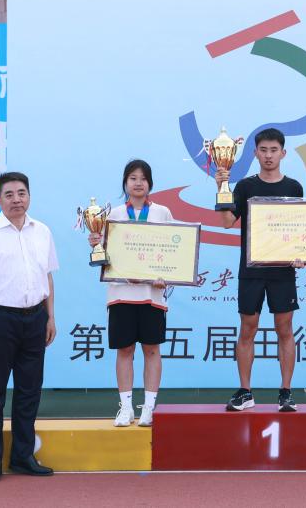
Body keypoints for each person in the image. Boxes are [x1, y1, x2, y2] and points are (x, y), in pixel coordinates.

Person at [0, 172, 58, 483]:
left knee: (29, 391)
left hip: (35, 318)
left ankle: (22, 456)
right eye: (9, 194)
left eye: (21, 193)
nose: (16, 199)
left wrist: (50, 317)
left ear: (29, 196)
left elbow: (47, 277)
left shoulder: (42, 231)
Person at [215, 128, 305, 413]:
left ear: (283, 153)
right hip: (251, 269)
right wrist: (221, 187)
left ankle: (286, 393)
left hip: (283, 270)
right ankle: (245, 392)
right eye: (263, 150)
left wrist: (302, 254)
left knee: (285, 329)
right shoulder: (244, 186)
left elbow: (300, 229)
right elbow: (227, 222)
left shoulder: (294, 187)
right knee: (247, 329)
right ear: (255, 153)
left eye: (273, 150)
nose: (268, 155)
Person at [87, 159, 173, 428]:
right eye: (132, 178)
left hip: (151, 295)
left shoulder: (162, 213)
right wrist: (95, 243)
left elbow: (174, 252)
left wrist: (167, 276)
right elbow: (104, 257)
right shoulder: (111, 216)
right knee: (124, 350)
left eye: (143, 178)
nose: (138, 183)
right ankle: (125, 408)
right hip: (121, 294)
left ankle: (148, 408)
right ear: (125, 183)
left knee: (152, 350)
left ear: (150, 183)